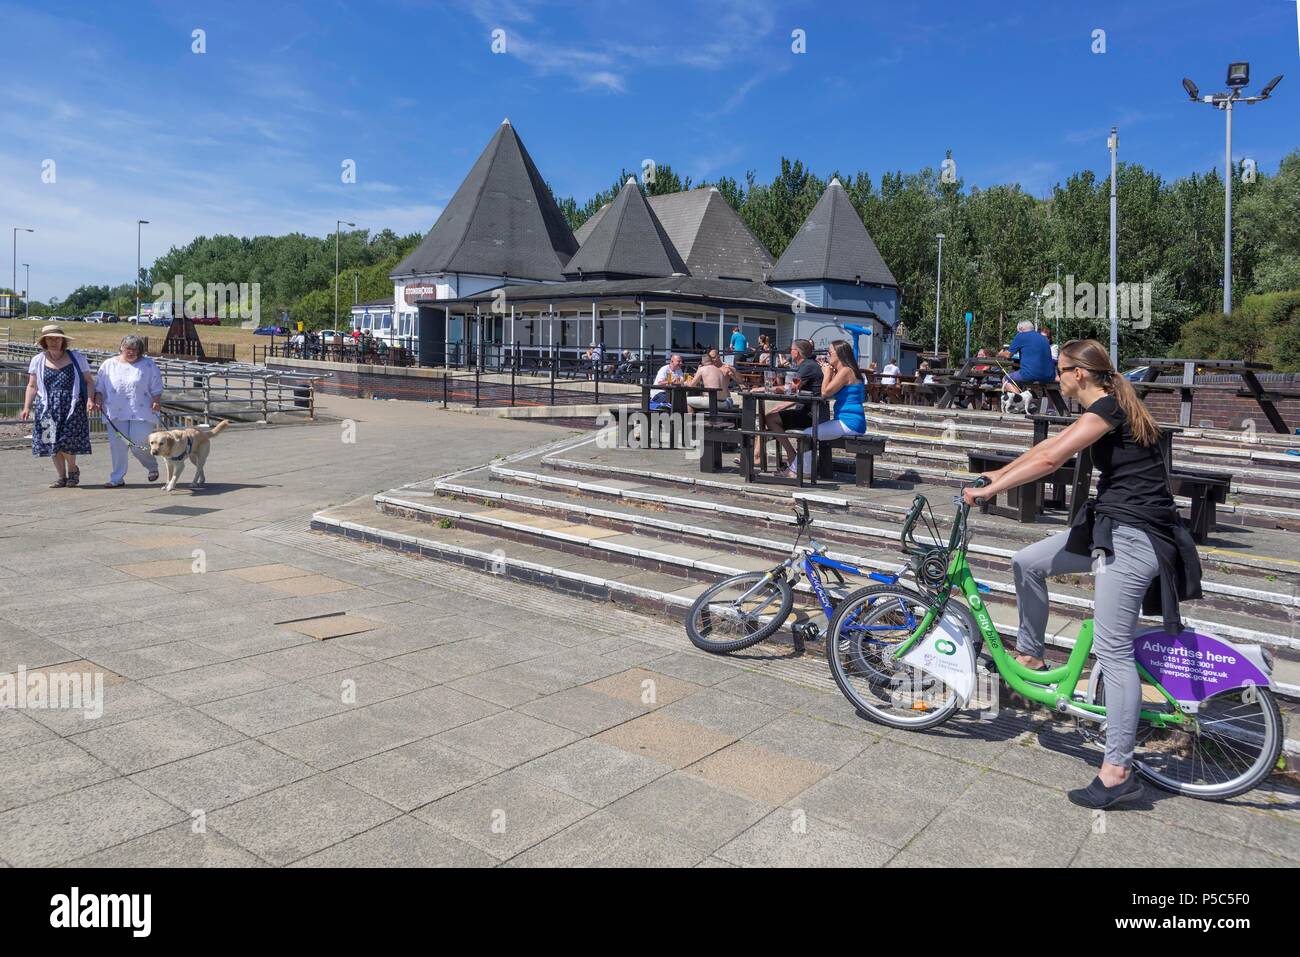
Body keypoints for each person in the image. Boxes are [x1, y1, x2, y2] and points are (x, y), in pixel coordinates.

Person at [962, 338, 1202, 810]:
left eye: (1060, 369)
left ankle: (1117, 773)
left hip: (1134, 538)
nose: (1054, 376)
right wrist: (995, 478)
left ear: (1079, 374)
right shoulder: (1106, 408)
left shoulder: (1110, 408)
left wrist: (992, 492)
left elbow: (1051, 461)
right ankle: (1030, 654)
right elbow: (1050, 446)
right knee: (1027, 562)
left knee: (1112, 649)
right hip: (1108, 528)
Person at [20, 324, 94, 487]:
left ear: (63, 340)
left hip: (72, 405)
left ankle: (73, 470)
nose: (53, 341)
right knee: (51, 443)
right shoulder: (38, 360)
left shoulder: (77, 358)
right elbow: (32, 386)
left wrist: (90, 399)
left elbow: (89, 381)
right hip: (47, 407)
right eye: (50, 338)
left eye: (57, 338)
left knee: (68, 441)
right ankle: (62, 477)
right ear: (44, 341)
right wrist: (26, 407)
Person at [784, 339, 867, 478]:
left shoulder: (846, 371)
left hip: (849, 422)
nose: (827, 356)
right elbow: (831, 390)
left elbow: (825, 393)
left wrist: (827, 373)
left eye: (829, 353)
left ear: (839, 354)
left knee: (807, 434)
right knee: (810, 432)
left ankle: (800, 471)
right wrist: (829, 372)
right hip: (848, 421)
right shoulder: (845, 371)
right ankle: (802, 470)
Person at [92, 334, 163, 488]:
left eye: (135, 349)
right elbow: (100, 387)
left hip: (142, 411)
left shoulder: (148, 365)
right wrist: (97, 400)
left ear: (140, 351)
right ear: (121, 348)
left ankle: (151, 465)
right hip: (114, 410)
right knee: (117, 445)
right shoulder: (108, 364)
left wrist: (156, 401)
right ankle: (117, 478)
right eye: (128, 349)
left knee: (139, 442)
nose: (131, 352)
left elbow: (156, 386)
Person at [753, 339, 822, 469]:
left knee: (770, 418)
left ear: (796, 353)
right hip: (809, 410)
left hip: (811, 414)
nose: (790, 352)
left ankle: (790, 454)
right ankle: (758, 455)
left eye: (791, 350)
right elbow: (793, 390)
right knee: (766, 417)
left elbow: (790, 388)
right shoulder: (807, 365)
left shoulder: (807, 366)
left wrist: (764, 389)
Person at [999, 320, 1058, 412]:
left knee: (1006, 379)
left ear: (1021, 329)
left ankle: (1020, 404)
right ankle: (1031, 404)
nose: (1018, 333)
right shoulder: (1043, 338)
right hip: (1049, 375)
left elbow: (1008, 355)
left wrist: (1000, 353)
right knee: (1029, 382)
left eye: (1018, 331)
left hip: (1030, 374)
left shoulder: (1021, 336)